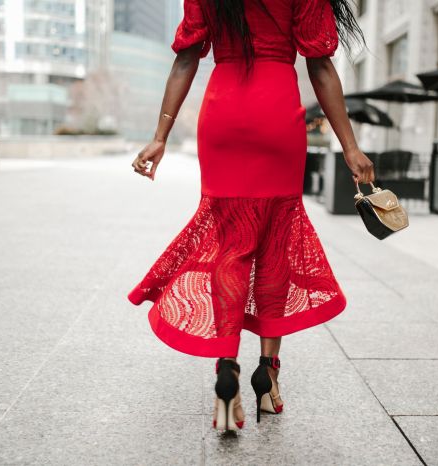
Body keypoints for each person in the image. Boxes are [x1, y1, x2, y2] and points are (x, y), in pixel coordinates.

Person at [127, 0, 375, 433]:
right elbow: (320, 67)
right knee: (274, 244)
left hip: (224, 113)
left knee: (231, 247)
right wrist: (350, 146)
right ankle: (268, 372)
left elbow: (186, 57)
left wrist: (160, 136)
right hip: (276, 112)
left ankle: (227, 372)